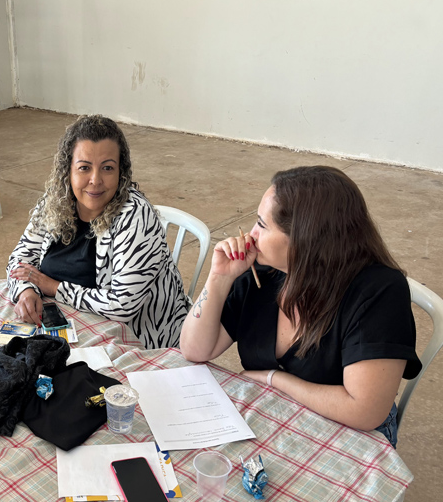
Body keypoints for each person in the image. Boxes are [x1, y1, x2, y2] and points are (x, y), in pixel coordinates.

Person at [179, 166, 421, 446]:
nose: (251, 235)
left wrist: (274, 379)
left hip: (350, 436)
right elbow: (194, 350)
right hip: (277, 419)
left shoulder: (378, 291)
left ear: (306, 239)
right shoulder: (263, 273)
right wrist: (219, 277)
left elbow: (365, 411)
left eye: (261, 224)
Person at [7, 115, 189, 349]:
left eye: (107, 168)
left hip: (140, 344)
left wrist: (53, 287)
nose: (95, 180)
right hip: (75, 330)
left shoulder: (136, 216)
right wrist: (27, 291)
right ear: (68, 170)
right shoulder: (55, 201)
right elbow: (19, 260)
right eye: (84, 168)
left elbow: (122, 306)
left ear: (121, 172)